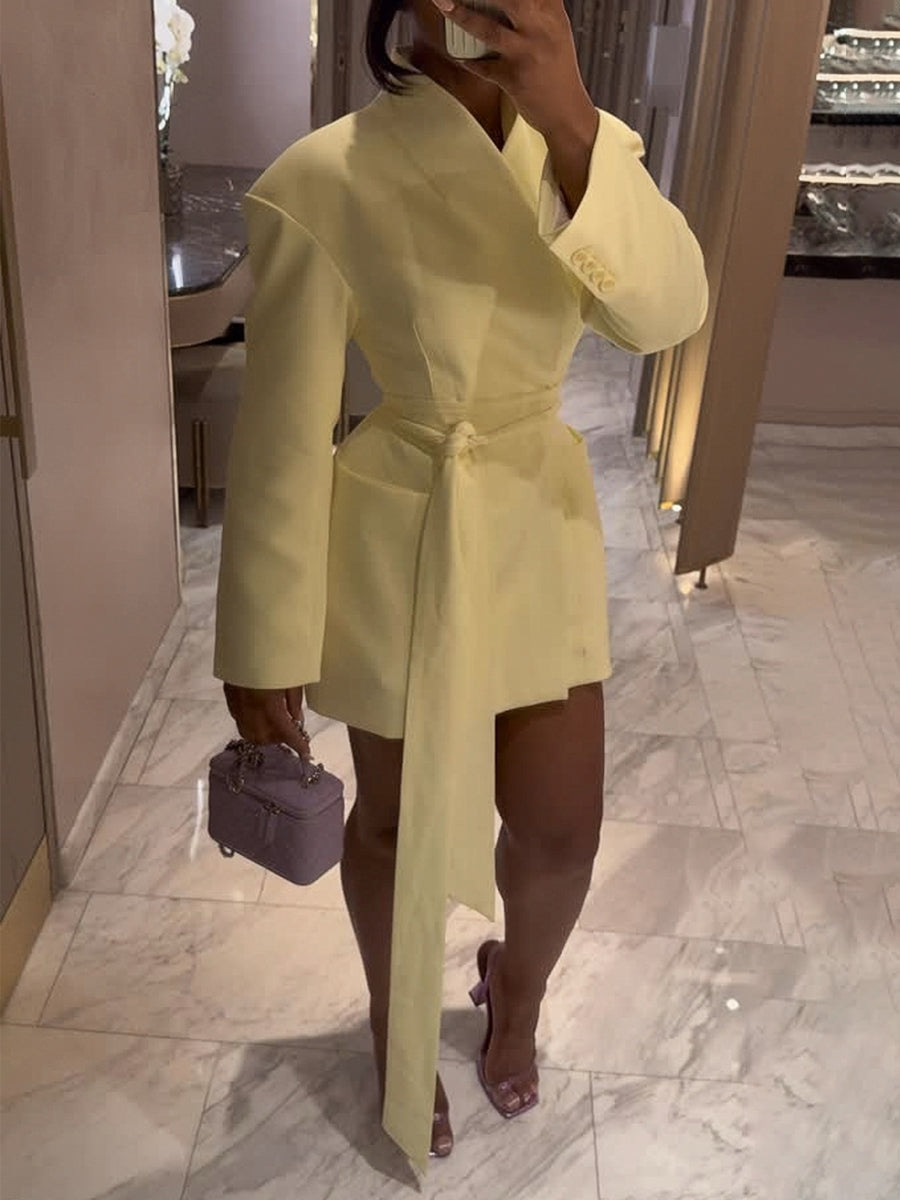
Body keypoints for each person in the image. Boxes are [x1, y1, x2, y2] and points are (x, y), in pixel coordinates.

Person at [213, 0, 708, 1172]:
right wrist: (262, 641)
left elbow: (668, 314)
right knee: (393, 825)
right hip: (404, 523)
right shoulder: (325, 176)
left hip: (534, 517)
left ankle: (514, 991)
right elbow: (281, 438)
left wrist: (575, 126)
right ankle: (395, 1028)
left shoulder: (591, 151)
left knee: (561, 829)